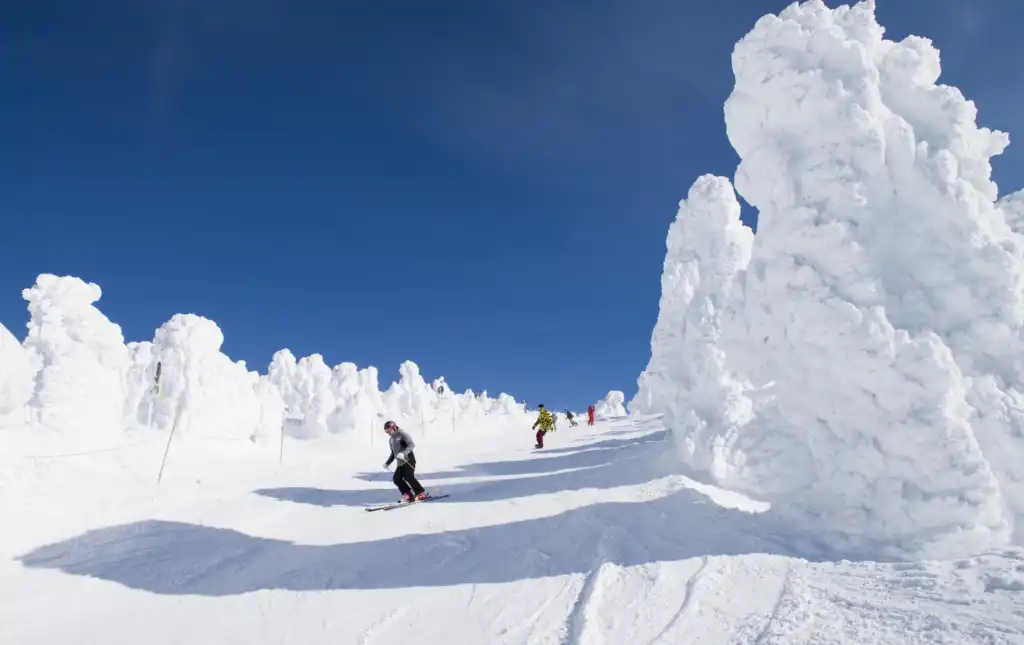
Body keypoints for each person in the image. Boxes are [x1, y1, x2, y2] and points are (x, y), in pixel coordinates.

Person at [382, 420, 428, 502]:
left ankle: (420, 493)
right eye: (386, 431)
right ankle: (408, 494)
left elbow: (411, 445)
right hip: (400, 463)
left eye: (389, 430)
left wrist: (403, 453)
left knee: (408, 476)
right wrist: (387, 463)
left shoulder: (402, 434)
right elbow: (393, 453)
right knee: (396, 479)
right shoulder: (391, 440)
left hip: (408, 460)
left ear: (393, 427)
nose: (388, 433)